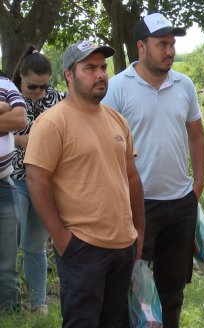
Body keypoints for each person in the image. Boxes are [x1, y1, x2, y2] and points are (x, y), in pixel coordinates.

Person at [24, 40, 144, 327]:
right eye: (89, 68)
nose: (100, 74)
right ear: (69, 74)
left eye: (102, 67)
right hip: (82, 247)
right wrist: (62, 238)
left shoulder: (117, 121)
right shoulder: (53, 122)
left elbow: (131, 177)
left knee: (117, 322)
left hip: (122, 245)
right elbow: (36, 179)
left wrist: (139, 232)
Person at [102, 13, 204, 328]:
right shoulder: (118, 88)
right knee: (132, 288)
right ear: (141, 47)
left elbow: (197, 136)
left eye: (172, 44)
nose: (170, 50)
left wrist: (196, 189)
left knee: (172, 290)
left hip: (180, 203)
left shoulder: (184, 84)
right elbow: (104, 147)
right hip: (136, 206)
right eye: (162, 43)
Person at [10, 45, 67, 314]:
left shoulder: (59, 100)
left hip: (46, 184)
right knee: (9, 241)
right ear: (21, 75)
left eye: (44, 87)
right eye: (33, 87)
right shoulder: (7, 97)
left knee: (35, 245)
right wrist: (18, 140)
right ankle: (8, 304)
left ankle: (37, 305)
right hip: (15, 180)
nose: (39, 93)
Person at [0, 74, 27, 311]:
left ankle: (10, 314)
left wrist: (8, 108)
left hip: (3, 187)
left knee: (7, 260)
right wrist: (2, 107)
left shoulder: (6, 84)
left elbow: (20, 118)